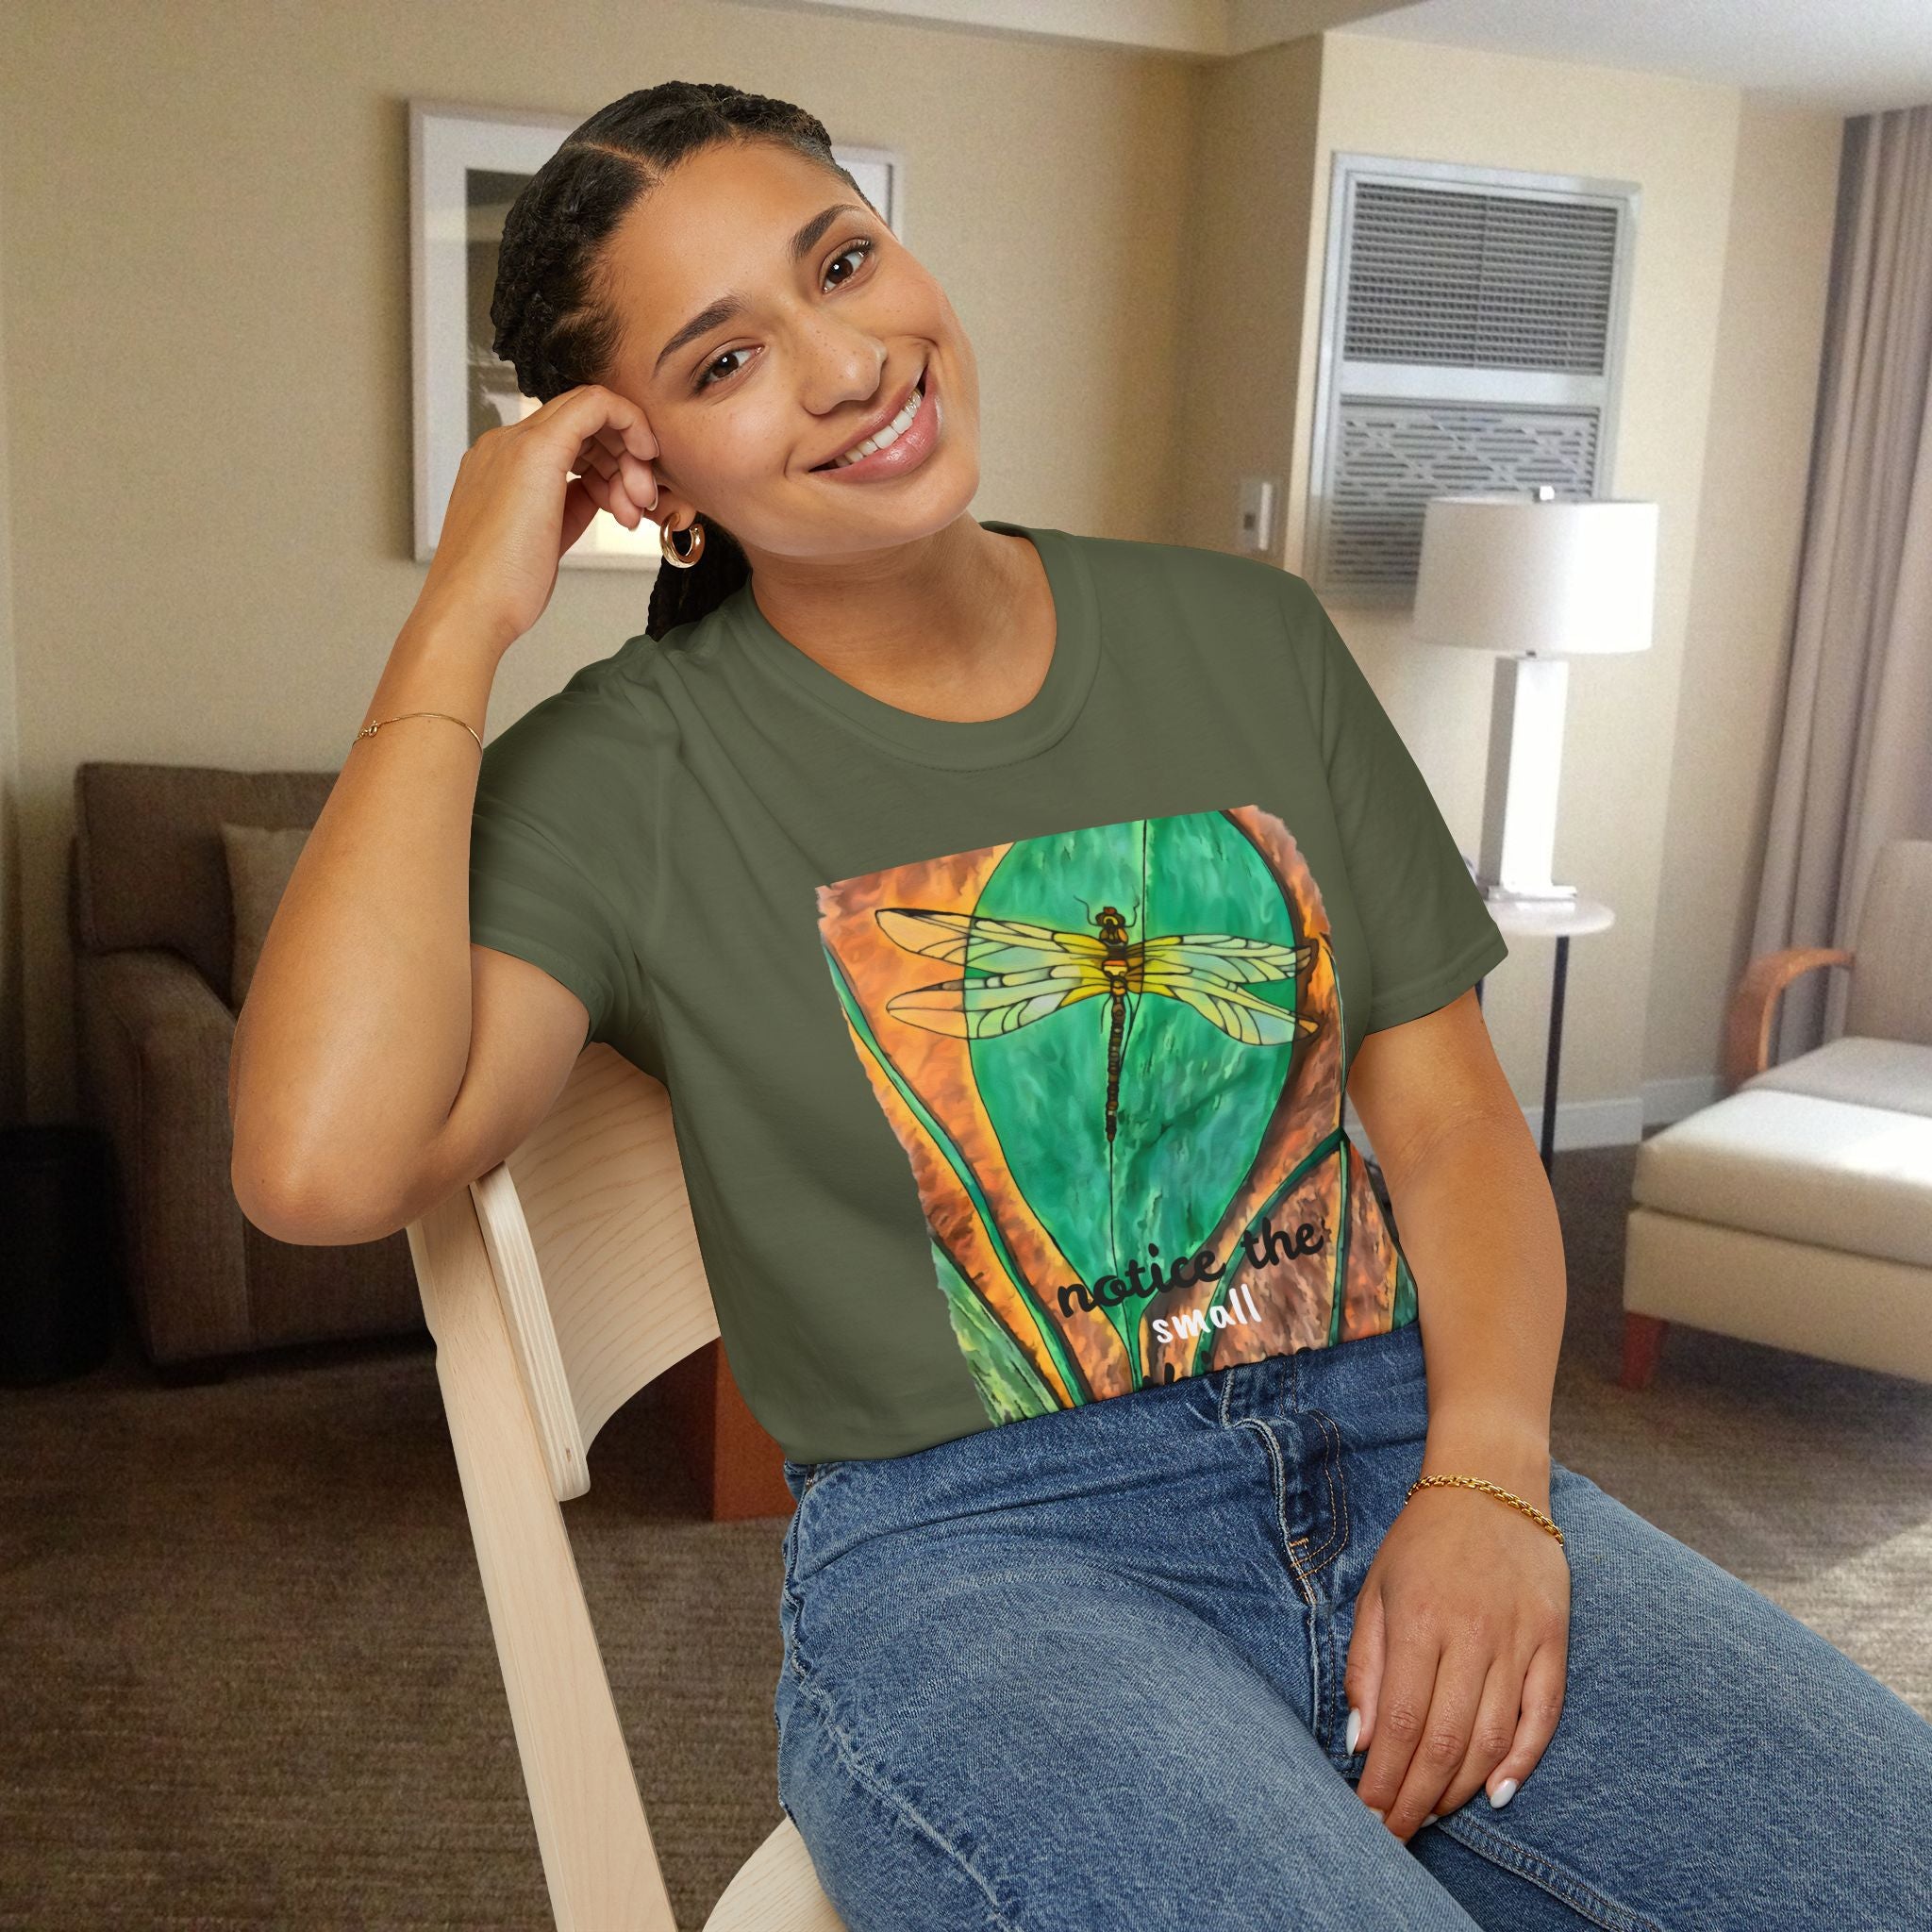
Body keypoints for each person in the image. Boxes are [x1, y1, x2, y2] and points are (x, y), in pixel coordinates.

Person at [228, 79, 1932, 1932]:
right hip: (989, 1563)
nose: (846, 364)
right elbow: (320, 1166)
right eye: (725, 360)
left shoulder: (1249, 639)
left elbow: (1452, 1128)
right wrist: (459, 618)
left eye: (842, 264)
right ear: (652, 477)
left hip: (1402, 1439)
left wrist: (1492, 1484)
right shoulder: (624, 775)